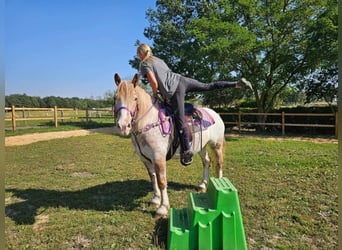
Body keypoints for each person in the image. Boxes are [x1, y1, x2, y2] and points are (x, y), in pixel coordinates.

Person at [137, 43, 252, 166]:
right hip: (182, 80)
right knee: (208, 86)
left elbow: (154, 82)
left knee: (180, 121)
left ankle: (186, 151)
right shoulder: (158, 60)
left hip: (175, 90)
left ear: (140, 53)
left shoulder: (145, 63)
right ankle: (236, 83)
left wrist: (155, 94)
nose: (138, 57)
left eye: (138, 54)